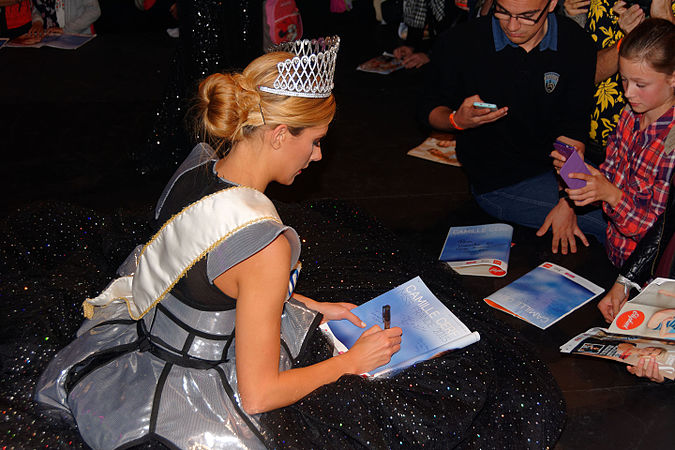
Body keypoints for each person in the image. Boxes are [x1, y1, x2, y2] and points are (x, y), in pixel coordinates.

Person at [28, 36, 567, 449]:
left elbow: (203, 279)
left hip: (147, 344)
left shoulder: (196, 167)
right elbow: (259, 393)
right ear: (279, 133)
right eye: (314, 143)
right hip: (201, 390)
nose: (317, 158)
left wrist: (306, 303)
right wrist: (350, 362)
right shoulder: (265, 247)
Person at [419, 0, 605, 255]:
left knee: (637, 212)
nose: (513, 25)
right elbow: (427, 109)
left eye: (527, 16)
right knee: (610, 224)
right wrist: (456, 121)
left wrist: (568, 200)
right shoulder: (463, 42)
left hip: (561, 168)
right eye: (503, 12)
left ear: (551, 4)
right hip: (502, 181)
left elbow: (572, 127)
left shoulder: (575, 41)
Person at [555, 18, 675, 269]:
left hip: (646, 274)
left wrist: (611, 194)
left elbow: (658, 238)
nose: (628, 93)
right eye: (624, 80)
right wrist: (584, 180)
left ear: (672, 78)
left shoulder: (670, 144)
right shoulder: (630, 115)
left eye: (641, 84)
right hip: (615, 254)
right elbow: (611, 177)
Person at [561, 0, 675, 164]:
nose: (628, 92)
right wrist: (629, 39)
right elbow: (581, 76)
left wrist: (665, 18)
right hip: (594, 143)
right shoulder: (601, 4)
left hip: (655, 153)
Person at [28, 0, 101, 36]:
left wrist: (66, 30)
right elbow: (38, 7)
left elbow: (94, 10)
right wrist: (37, 21)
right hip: (50, 37)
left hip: (78, 36)